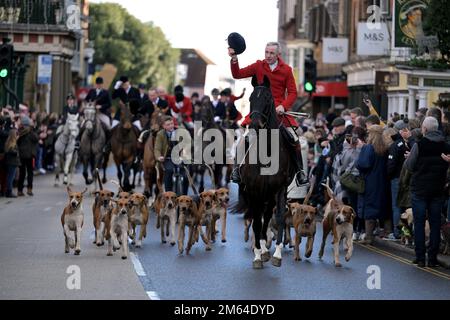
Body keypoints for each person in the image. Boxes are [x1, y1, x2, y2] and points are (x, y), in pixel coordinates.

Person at [228, 41, 302, 184]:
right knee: (245, 138)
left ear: (278, 54)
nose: (268, 56)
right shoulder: (258, 66)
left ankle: (300, 172)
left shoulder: (286, 70)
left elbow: (292, 93)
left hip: (279, 114)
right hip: (259, 112)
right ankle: (237, 169)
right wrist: (234, 58)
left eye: (271, 53)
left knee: (294, 139)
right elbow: (237, 74)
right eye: (266, 52)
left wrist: (283, 106)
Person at [405, 117, 450, 268]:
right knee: (435, 223)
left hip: (420, 189)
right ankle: (432, 258)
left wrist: (410, 158)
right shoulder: (446, 145)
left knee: (419, 223)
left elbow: (409, 166)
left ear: (424, 129)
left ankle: (420, 257)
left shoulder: (419, 145)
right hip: (437, 189)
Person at [357, 125, 389, 245]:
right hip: (383, 181)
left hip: (370, 181)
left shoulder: (368, 148)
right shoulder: (385, 148)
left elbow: (363, 164)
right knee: (382, 206)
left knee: (369, 207)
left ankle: (368, 237)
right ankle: (387, 231)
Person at [387, 119, 412, 239]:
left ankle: (397, 232)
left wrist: (389, 176)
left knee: (396, 206)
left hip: (397, 179)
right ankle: (406, 233)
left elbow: (391, 166)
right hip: (408, 179)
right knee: (406, 206)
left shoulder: (395, 145)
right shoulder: (411, 144)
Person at [154, 116, 189, 194]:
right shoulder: (160, 134)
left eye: (172, 124)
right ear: (163, 126)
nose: (171, 126)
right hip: (168, 158)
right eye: (168, 125)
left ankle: (185, 195)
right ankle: (168, 194)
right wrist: (159, 156)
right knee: (169, 171)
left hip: (180, 157)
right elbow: (157, 148)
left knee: (186, 177)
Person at [17, 116, 38, 197]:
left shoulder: (20, 131)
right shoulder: (31, 132)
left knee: (22, 173)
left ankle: (20, 190)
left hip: (22, 155)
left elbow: (17, 142)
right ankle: (29, 189)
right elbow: (36, 139)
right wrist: (33, 129)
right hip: (30, 155)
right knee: (30, 173)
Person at [4, 128, 20, 198]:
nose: (17, 135)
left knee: (10, 177)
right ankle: (9, 191)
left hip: (11, 162)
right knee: (10, 177)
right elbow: (11, 151)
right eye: (16, 134)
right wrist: (16, 153)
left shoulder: (8, 142)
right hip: (12, 162)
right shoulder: (12, 143)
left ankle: (8, 191)